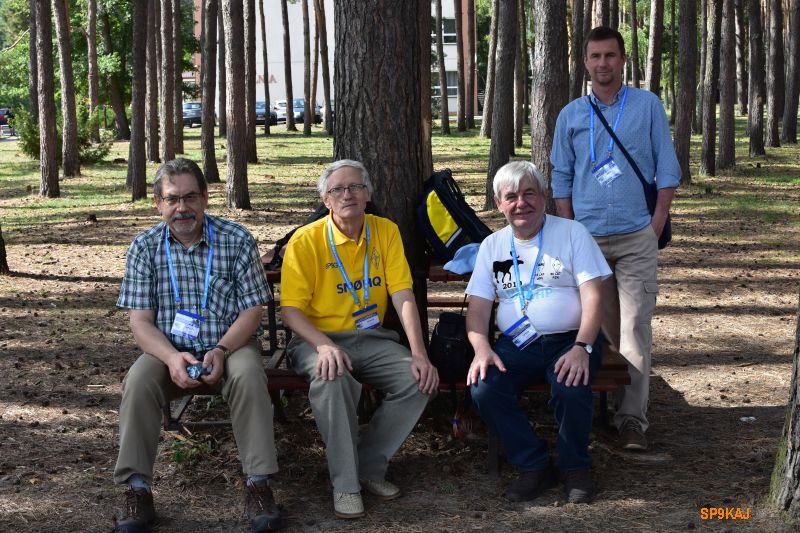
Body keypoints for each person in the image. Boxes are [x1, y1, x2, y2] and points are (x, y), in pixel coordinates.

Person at [113, 158, 284, 532]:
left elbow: (252, 311)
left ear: (206, 197)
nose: (182, 208)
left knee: (248, 375)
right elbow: (140, 324)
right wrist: (172, 357)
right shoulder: (144, 247)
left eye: (191, 197)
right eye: (172, 199)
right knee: (138, 382)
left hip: (231, 345)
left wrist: (221, 350)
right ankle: (137, 490)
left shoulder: (236, 239)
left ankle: (258, 485)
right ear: (158, 203)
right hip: (168, 350)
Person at [280, 159, 439, 519]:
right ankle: (346, 484)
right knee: (332, 379)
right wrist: (324, 345)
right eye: (337, 189)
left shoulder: (385, 231)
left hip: (372, 338)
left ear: (368, 194)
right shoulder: (306, 240)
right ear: (326, 199)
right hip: (317, 340)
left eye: (355, 187)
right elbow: (290, 312)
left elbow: (403, 294)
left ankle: (367, 466)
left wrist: (419, 353)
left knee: (418, 380)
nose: (347, 194)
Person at [550, 26, 681, 452]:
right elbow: (561, 176)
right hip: (587, 241)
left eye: (610, 55)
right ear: (585, 63)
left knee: (634, 329)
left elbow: (668, 168)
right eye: (596, 56)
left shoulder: (647, 106)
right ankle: (592, 411)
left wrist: (655, 224)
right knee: (597, 329)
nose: (603, 63)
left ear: (623, 60)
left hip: (636, 236)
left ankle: (631, 422)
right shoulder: (571, 115)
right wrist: (569, 228)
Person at [466, 161, 611, 504]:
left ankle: (575, 467)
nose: (521, 203)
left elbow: (594, 297)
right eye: (511, 197)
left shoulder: (572, 233)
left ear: (544, 196)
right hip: (516, 344)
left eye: (529, 193)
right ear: (499, 203)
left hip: (572, 339)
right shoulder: (492, 245)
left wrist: (582, 347)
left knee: (570, 387)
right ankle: (534, 465)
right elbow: (478, 310)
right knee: (485, 388)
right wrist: (482, 348)